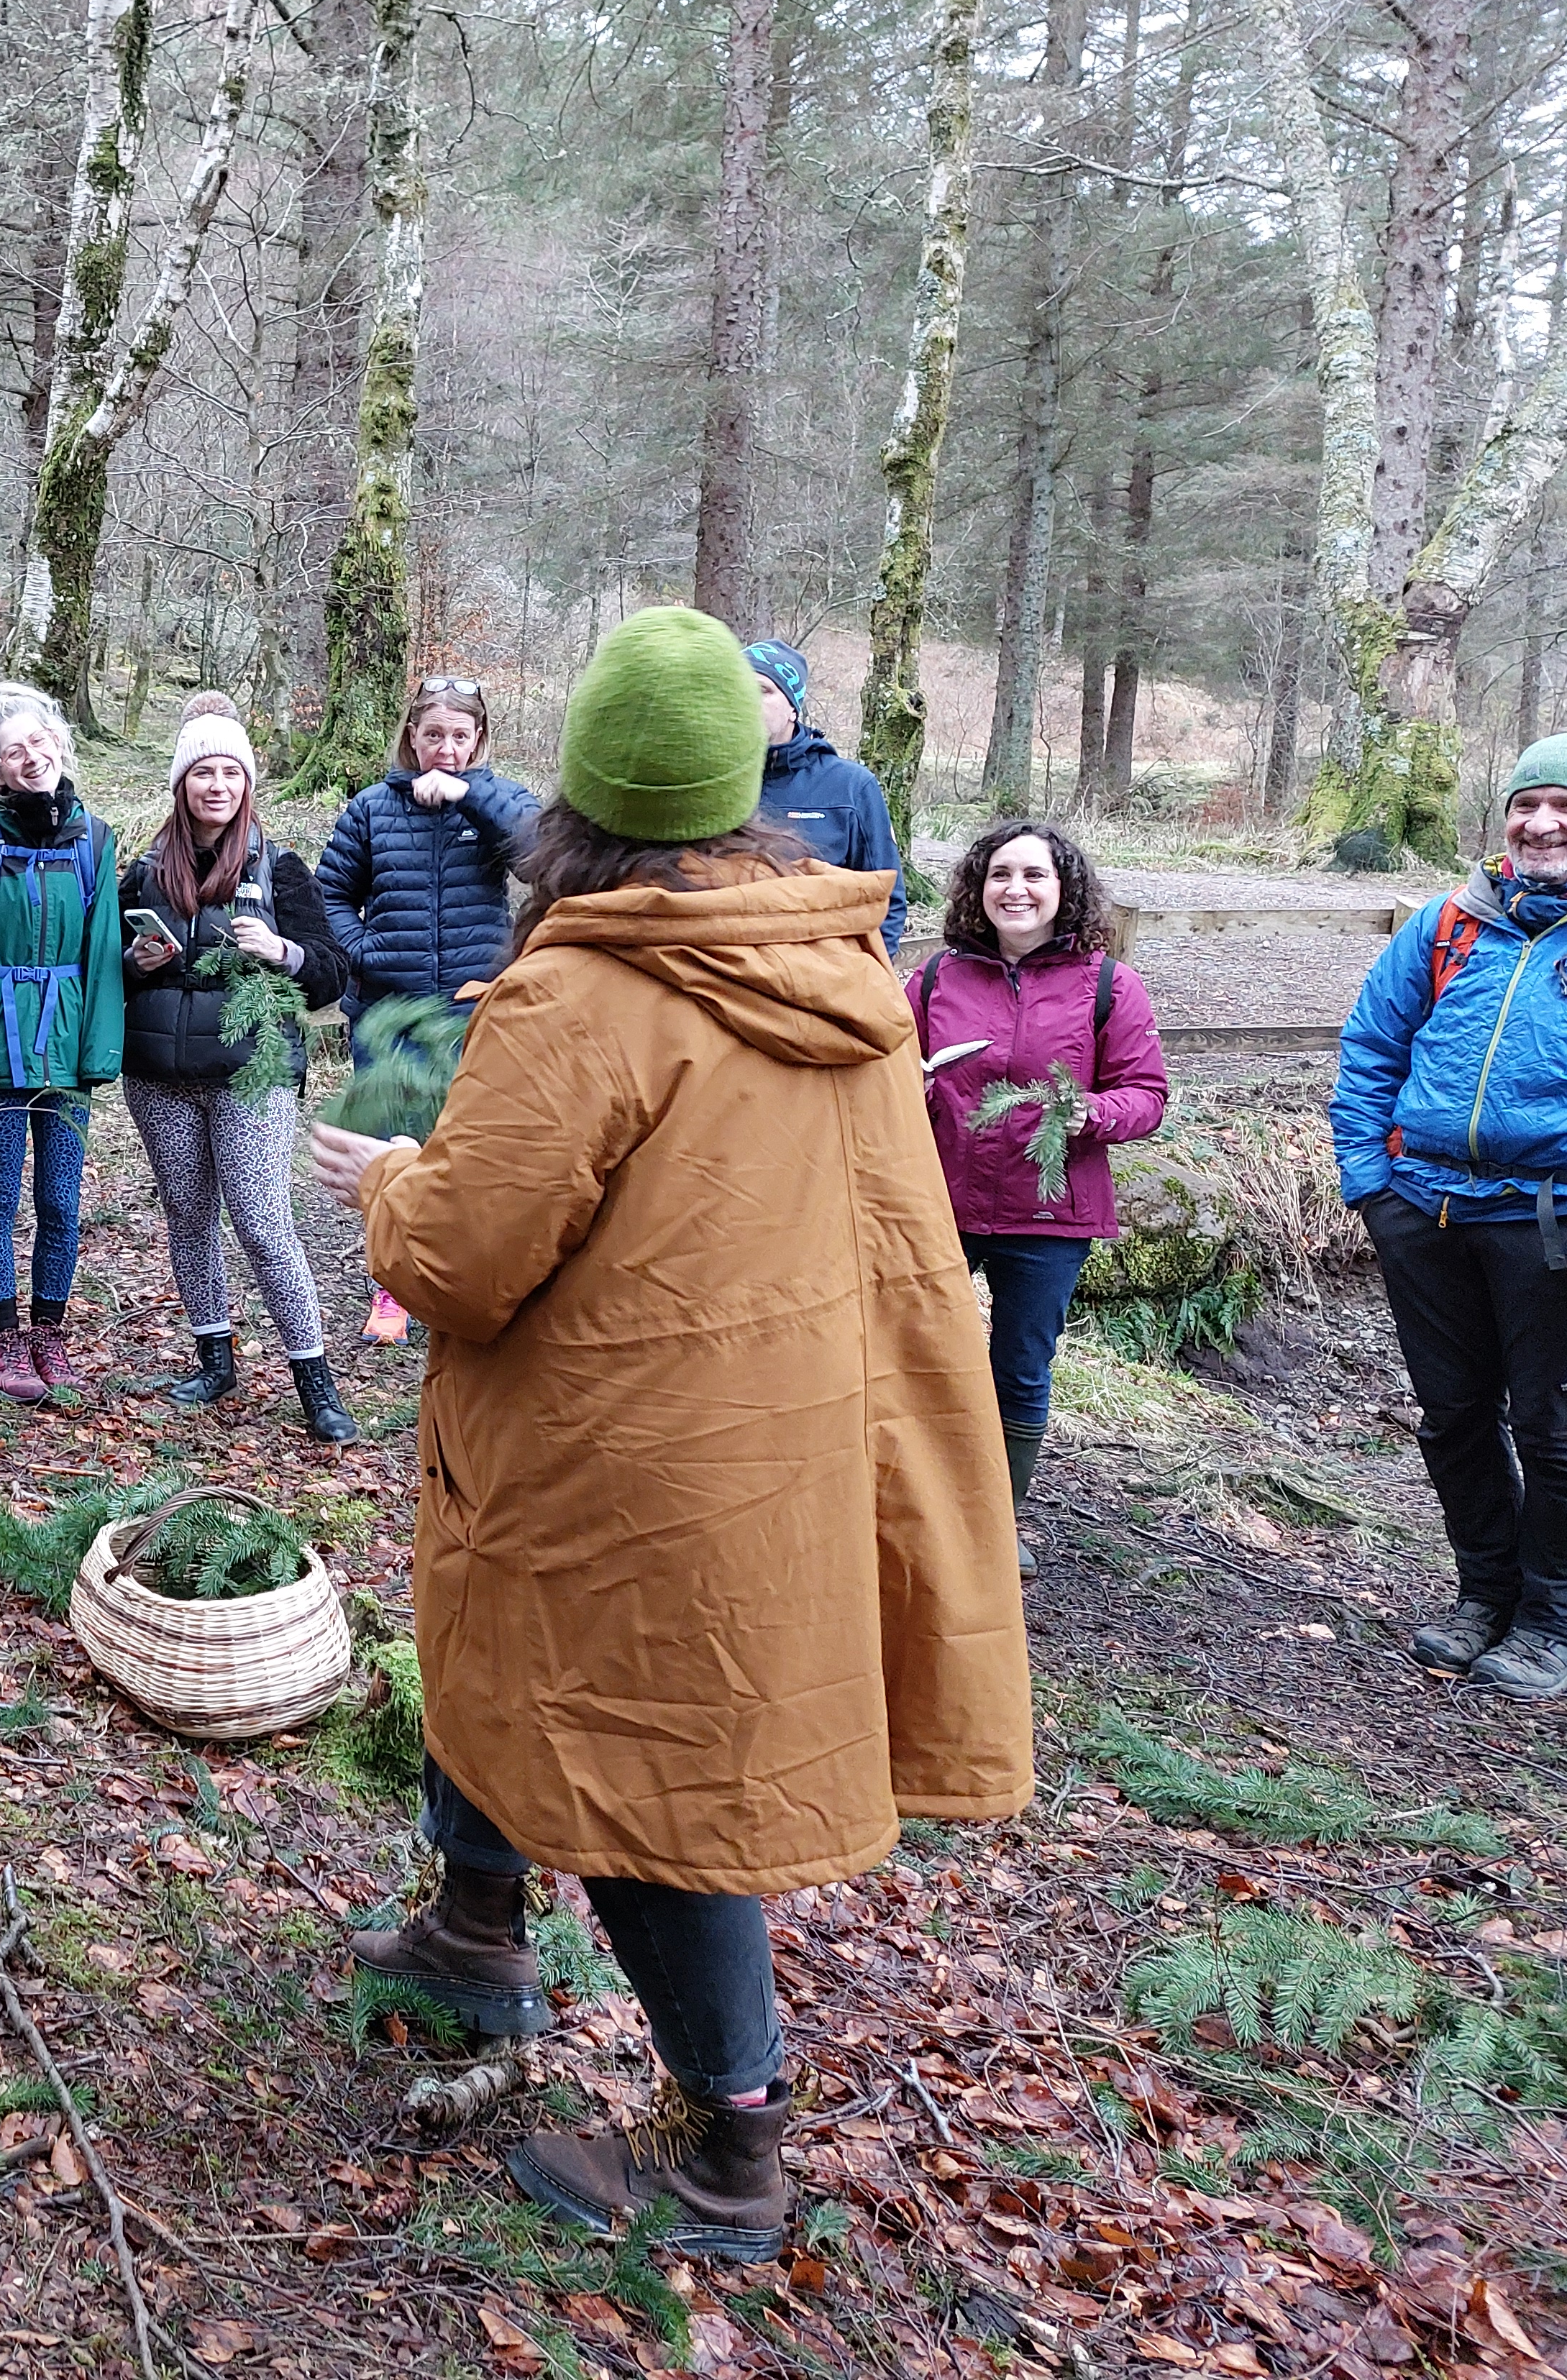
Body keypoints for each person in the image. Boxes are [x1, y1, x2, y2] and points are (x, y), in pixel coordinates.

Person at [310, 608, 1032, 2258]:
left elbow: (457, 1264)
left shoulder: (578, 993)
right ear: (736, 791)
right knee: (519, 1669)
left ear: (576, 793)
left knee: (656, 1774)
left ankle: (727, 2151)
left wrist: (391, 1181)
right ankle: (476, 1930)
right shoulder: (834, 964)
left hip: (621, 1465)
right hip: (762, 1449)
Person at [1331, 734, 1567, 1701]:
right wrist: (1370, 1187)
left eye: (1565, 806)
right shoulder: (1446, 926)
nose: (1543, 824)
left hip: (1551, 1221)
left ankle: (1552, 1622)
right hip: (1422, 1211)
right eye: (1528, 805)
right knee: (1454, 1414)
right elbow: (1370, 1051)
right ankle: (1485, 1595)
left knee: (1553, 1427)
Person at [910, 820, 1169, 1575]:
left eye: (1033, 876)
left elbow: (1147, 1096)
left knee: (1018, 1366)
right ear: (975, 888)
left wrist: (1094, 1112)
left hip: (1049, 1215)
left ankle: (995, 1524)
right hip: (941, 1203)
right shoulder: (934, 979)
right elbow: (880, 1065)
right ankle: (915, 1507)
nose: (1014, 890)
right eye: (998, 875)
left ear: (1064, 891)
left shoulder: (1107, 986)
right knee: (919, 1358)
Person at [119, 695, 356, 1440]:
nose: (215, 785)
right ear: (181, 784)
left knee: (260, 1223)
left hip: (250, 1073)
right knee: (188, 1215)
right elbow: (105, 979)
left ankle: (314, 1379)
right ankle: (213, 1358)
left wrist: (281, 952)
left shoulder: (279, 869)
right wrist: (135, 963)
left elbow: (330, 974)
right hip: (158, 1074)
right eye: (202, 772)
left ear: (245, 784)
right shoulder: (144, 872)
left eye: (229, 772)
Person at [314, 674, 539, 1344]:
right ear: (411, 737)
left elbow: (538, 856)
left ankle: (460, 1280)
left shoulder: (495, 803)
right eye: (432, 734)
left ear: (478, 742)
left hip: (473, 1009)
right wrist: (368, 951)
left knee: (465, 1145)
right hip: (388, 1009)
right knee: (391, 1143)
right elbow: (329, 897)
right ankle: (393, 1290)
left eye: (459, 737)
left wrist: (473, 797)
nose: (444, 748)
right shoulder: (370, 811)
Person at [0, 680, 124, 1405]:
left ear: (59, 745)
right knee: (0, 1198)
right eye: (14, 752)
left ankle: (50, 1334)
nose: (31, 758)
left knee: (62, 1202)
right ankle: (3, 1337)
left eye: (39, 743)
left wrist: (99, 1054)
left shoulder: (94, 841)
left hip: (65, 1057)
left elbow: (103, 953)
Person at [744, 639, 905, 953]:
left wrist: (867, 977)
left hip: (821, 978)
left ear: (793, 707)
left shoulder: (850, 786)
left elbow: (886, 898)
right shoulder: (710, 784)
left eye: (764, 690)